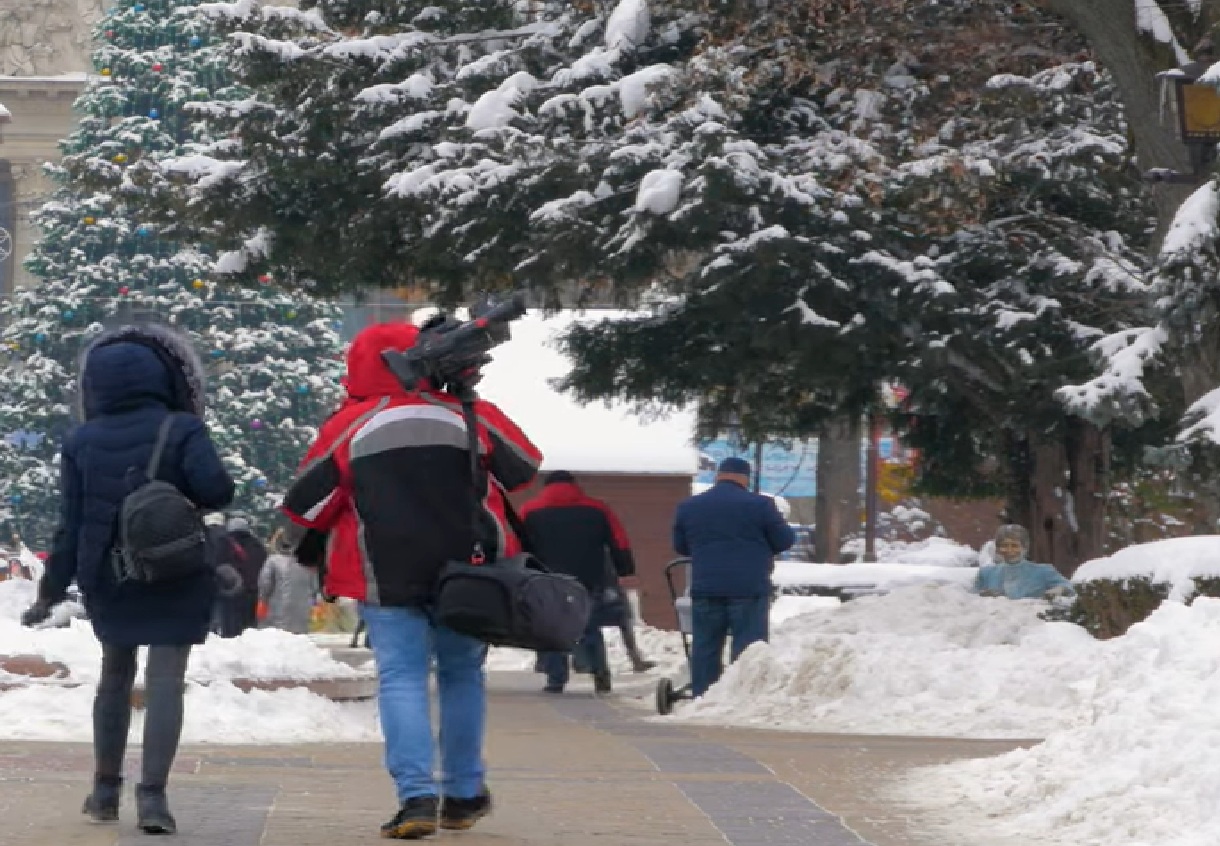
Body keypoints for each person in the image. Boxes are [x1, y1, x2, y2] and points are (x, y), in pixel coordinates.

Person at [282, 321, 541, 840]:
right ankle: (464, 793)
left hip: (384, 575)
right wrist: (466, 396)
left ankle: (416, 796)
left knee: (401, 679)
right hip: (468, 575)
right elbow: (526, 466)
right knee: (462, 676)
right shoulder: (467, 415)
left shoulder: (352, 425)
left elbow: (304, 507)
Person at [20, 324, 235, 835]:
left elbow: (70, 524)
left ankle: (104, 791)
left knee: (114, 676)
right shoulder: (182, 428)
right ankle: (154, 799)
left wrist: (52, 588)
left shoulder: (81, 440)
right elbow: (217, 491)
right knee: (165, 681)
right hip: (176, 568)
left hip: (108, 574)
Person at [673, 457, 795, 697]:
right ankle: (742, 695)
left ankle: (704, 696)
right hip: (748, 588)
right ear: (745, 478)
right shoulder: (761, 506)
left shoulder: (689, 506)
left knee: (705, 646)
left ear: (719, 475)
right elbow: (784, 541)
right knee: (748, 647)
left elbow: (681, 547)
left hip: (706, 586)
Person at [520, 471, 638, 694]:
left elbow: (519, 544)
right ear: (574, 485)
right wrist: (625, 568)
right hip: (589, 579)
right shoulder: (597, 509)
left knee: (551, 627)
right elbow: (619, 539)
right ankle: (600, 674)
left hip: (548, 580)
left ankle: (556, 679)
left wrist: (524, 572)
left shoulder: (530, 510)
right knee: (589, 625)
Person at [975, 524, 1074, 600]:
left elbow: (1070, 588)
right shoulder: (987, 573)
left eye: (1014, 545)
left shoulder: (1043, 571)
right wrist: (984, 596)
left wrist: (1059, 590)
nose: (1009, 550)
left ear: (1025, 547)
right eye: (1004, 545)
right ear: (998, 548)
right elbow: (971, 600)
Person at [258, 528, 318, 634]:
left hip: (278, 607)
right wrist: (314, 601)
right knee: (299, 638)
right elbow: (315, 585)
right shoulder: (309, 562)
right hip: (303, 609)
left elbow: (265, 583)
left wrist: (263, 599)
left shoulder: (273, 561)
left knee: (279, 636)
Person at [226, 516, 267, 632]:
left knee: (232, 625)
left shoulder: (226, 544)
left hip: (233, 590)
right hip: (254, 590)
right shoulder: (258, 546)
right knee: (250, 625)